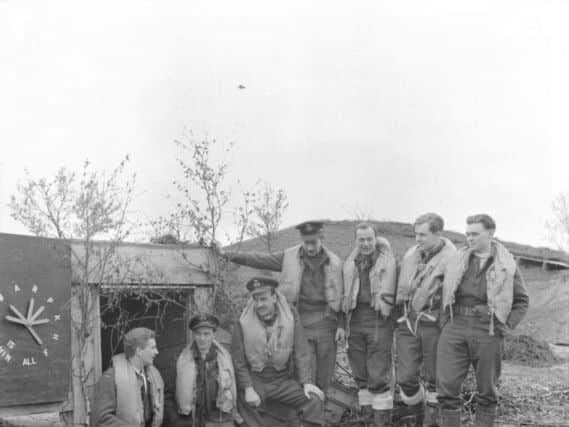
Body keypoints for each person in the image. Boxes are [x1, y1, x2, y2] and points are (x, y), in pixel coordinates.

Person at [218, 220, 344, 392]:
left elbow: (342, 294)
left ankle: (320, 412)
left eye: (313, 242)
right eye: (306, 243)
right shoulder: (289, 257)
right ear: (301, 239)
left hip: (326, 325)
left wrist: (342, 325)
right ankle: (305, 414)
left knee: (324, 376)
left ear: (321, 236)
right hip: (300, 323)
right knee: (305, 374)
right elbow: (259, 260)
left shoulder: (335, 262)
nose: (310, 248)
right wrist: (227, 254)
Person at [436, 214, 530, 427]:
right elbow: (437, 289)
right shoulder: (456, 260)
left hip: (488, 329)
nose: (469, 238)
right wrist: (443, 321)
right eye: (467, 234)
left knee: (487, 390)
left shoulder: (507, 265)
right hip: (455, 325)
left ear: (490, 234)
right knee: (447, 387)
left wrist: (506, 326)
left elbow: (522, 301)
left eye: (475, 234)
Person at [231, 276, 325, 427]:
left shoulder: (290, 314)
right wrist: (248, 388)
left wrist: (307, 382)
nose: (259, 304)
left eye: (263, 299)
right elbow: (238, 359)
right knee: (246, 409)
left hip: (282, 380)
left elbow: (301, 350)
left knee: (314, 399)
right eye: (255, 300)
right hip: (256, 380)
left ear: (274, 297)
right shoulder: (242, 319)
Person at [395, 213, 456, 426]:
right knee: (404, 377)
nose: (417, 239)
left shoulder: (452, 259)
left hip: (434, 324)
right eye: (416, 234)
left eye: (423, 235)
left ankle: (429, 421)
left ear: (438, 233)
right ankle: (417, 410)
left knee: (435, 378)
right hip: (408, 321)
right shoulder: (412, 253)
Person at [342, 223, 397, 427]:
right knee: (360, 374)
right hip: (354, 321)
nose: (365, 244)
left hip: (378, 320)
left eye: (369, 239)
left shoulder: (388, 262)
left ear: (376, 239)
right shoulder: (350, 263)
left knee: (379, 374)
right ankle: (367, 420)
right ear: (356, 241)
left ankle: (382, 423)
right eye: (361, 240)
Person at [164, 313, 238, 427]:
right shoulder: (179, 358)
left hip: (219, 420)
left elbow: (238, 387)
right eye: (198, 334)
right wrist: (176, 420)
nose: (202, 338)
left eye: (206, 334)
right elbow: (168, 394)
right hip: (190, 421)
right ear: (193, 335)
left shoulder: (227, 358)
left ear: (214, 334)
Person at [92, 327, 164, 427]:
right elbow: (102, 418)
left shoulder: (152, 375)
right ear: (139, 351)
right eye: (152, 348)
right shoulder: (110, 378)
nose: (157, 352)